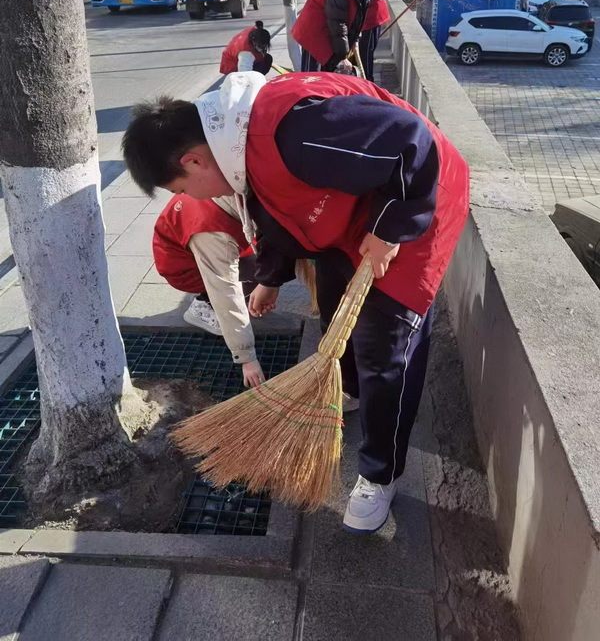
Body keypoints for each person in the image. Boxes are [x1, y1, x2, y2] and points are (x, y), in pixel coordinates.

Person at [121, 71, 470, 535]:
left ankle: (379, 474)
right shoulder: (232, 146)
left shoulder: (290, 130)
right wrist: (270, 278)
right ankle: (349, 390)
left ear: (194, 160)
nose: (188, 199)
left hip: (415, 199)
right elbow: (276, 208)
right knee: (335, 308)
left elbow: (411, 142)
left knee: (385, 348)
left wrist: (389, 231)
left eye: (181, 189)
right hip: (351, 213)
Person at [152, 174, 266, 389]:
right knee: (255, 273)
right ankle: (203, 308)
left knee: (264, 265)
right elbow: (225, 288)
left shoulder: (220, 184)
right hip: (184, 269)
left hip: (197, 248)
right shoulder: (210, 230)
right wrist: (247, 357)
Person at [293, 0, 364, 74]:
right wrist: (342, 56)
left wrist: (355, 40)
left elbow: (351, 20)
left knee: (321, 74)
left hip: (323, 30)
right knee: (311, 75)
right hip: (313, 31)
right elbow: (338, 23)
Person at [359, 0, 391, 82]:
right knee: (366, 53)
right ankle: (367, 79)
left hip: (373, 20)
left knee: (368, 53)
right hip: (368, 22)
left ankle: (368, 80)